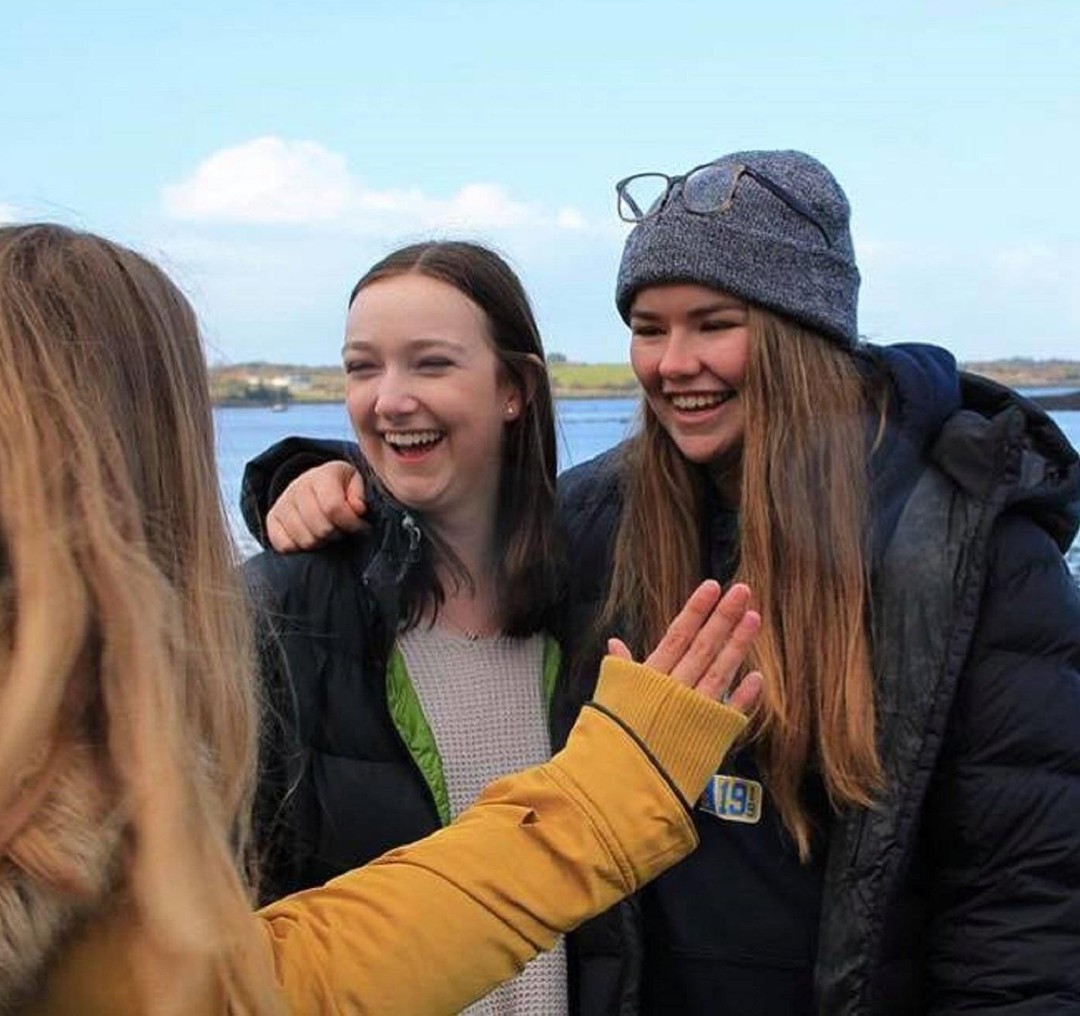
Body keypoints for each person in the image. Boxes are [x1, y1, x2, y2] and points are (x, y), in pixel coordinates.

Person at [251, 150, 1080, 1014]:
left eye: (712, 324)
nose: (673, 362)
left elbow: (1024, 903)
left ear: (805, 332)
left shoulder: (968, 553)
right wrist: (322, 479)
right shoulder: (602, 521)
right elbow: (456, 511)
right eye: (649, 329)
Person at [0, 223, 765, 1015]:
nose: (389, 398)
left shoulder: (602, 591)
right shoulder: (278, 617)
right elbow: (243, 966)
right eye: (361, 367)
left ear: (516, 389)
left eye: (430, 363)